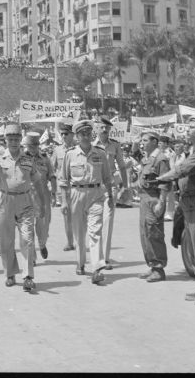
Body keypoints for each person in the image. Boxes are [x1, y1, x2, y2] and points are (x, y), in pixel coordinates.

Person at [156, 116, 195, 305]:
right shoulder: (192, 151)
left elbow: (182, 170)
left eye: (191, 127)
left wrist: (162, 178)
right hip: (191, 202)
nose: (187, 130)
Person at [59, 119, 115, 285]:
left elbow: (107, 178)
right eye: (82, 133)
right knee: (79, 233)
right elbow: (63, 180)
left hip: (96, 194)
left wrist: (110, 197)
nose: (85, 136)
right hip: (76, 194)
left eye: (88, 133)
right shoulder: (70, 155)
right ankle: (80, 262)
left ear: (92, 134)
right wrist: (63, 201)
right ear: (76, 136)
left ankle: (96, 268)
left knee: (95, 230)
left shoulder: (100, 153)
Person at [0, 124, 45, 292]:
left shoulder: (28, 159)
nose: (14, 142)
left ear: (20, 140)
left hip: (25, 201)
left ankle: (28, 276)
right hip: (5, 201)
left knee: (28, 239)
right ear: (6, 140)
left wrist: (42, 203)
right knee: (6, 240)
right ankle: (9, 273)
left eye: (17, 139)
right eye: (11, 139)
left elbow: (37, 181)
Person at [93, 116, 129, 270]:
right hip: (93, 186)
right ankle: (95, 255)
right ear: (96, 128)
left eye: (107, 128)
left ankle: (104, 259)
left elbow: (121, 166)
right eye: (101, 127)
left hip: (110, 187)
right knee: (94, 222)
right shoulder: (90, 145)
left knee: (108, 222)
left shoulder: (115, 145)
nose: (104, 130)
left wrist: (126, 187)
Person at [137, 131, 172, 282]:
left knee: (154, 232)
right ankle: (152, 265)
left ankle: (159, 268)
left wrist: (161, 202)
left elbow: (165, 183)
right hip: (145, 198)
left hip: (154, 199)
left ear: (154, 142)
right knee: (145, 233)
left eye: (145, 140)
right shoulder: (148, 158)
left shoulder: (161, 159)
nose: (142, 143)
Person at [22, 132, 56, 263]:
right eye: (31, 145)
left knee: (44, 225)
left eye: (36, 144)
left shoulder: (45, 158)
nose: (34, 147)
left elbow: (52, 175)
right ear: (27, 145)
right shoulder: (22, 158)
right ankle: (32, 257)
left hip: (43, 195)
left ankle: (42, 244)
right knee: (28, 227)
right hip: (27, 195)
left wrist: (54, 193)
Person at [50, 123, 76, 251]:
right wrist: (52, 189)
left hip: (77, 186)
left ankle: (80, 239)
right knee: (66, 215)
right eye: (62, 134)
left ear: (72, 135)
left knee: (80, 215)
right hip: (63, 187)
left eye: (66, 134)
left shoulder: (78, 148)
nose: (64, 136)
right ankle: (70, 242)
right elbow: (51, 168)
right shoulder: (57, 150)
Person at [165, 139, 186, 221]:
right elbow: (171, 168)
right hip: (173, 178)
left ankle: (182, 214)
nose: (176, 149)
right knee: (171, 196)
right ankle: (170, 213)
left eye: (178, 147)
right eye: (175, 147)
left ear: (182, 148)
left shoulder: (185, 156)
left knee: (181, 197)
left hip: (182, 178)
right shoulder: (173, 156)